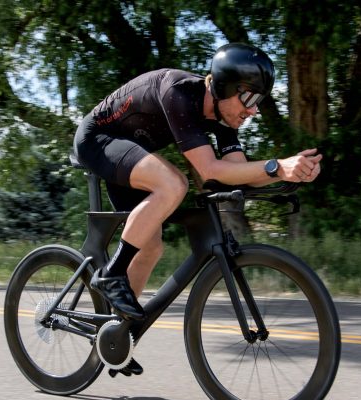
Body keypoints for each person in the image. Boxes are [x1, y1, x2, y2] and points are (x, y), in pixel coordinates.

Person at [73, 43, 322, 372]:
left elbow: (237, 174)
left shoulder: (222, 119)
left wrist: (291, 176)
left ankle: (118, 335)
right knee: (174, 184)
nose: (254, 111)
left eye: (259, 101)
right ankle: (112, 274)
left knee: (151, 247)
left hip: (130, 153)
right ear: (223, 87)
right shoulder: (180, 94)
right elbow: (211, 170)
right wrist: (277, 166)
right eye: (249, 99)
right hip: (97, 140)